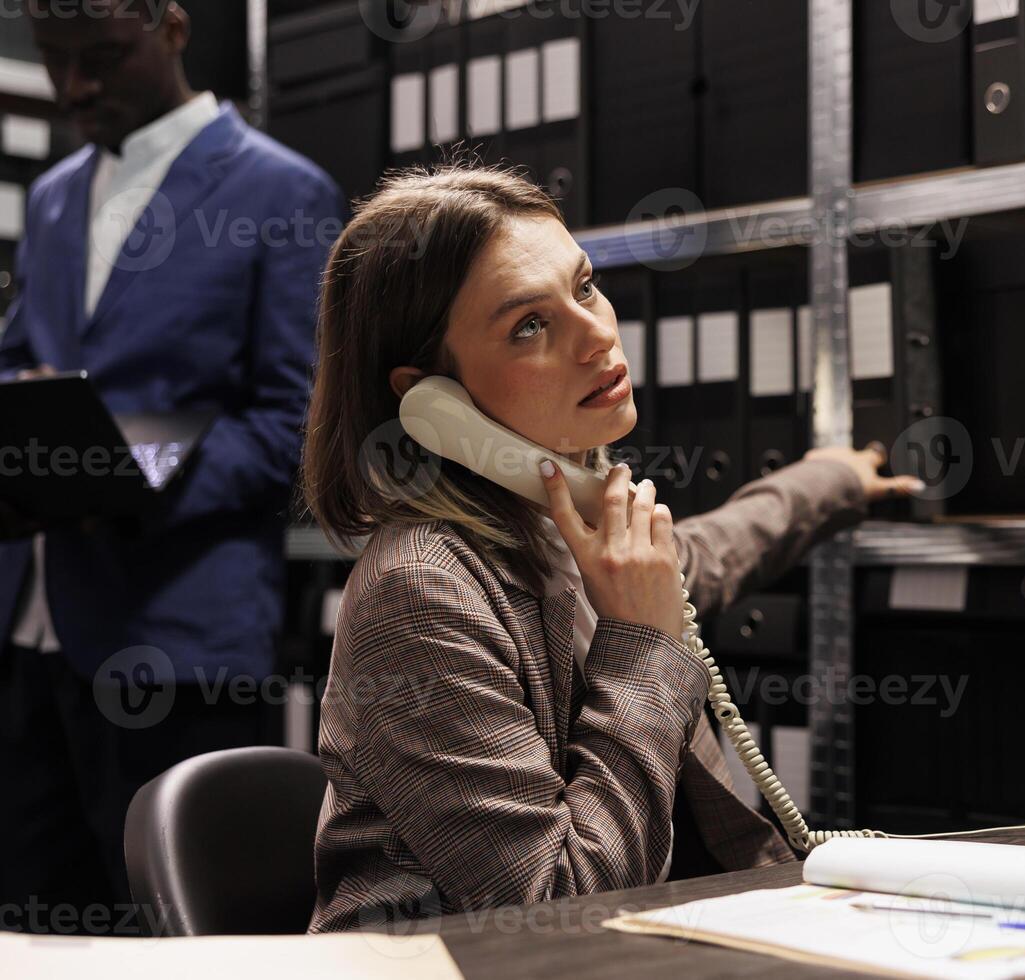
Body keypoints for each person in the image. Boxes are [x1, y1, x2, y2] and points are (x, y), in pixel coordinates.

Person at [301, 165, 921, 932]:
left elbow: (703, 556)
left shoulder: (551, 524)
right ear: (431, 403)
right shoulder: (421, 591)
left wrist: (831, 481)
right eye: (530, 324)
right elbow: (561, 910)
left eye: (585, 286)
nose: (597, 334)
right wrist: (642, 643)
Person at [0, 2, 342, 933]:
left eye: (102, 59)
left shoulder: (282, 191)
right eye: (56, 62)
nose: (75, 89)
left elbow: (293, 426)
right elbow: (26, 358)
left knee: (170, 937)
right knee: (30, 933)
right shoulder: (54, 193)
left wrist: (119, 468)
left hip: (174, 639)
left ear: (174, 28)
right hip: (28, 638)